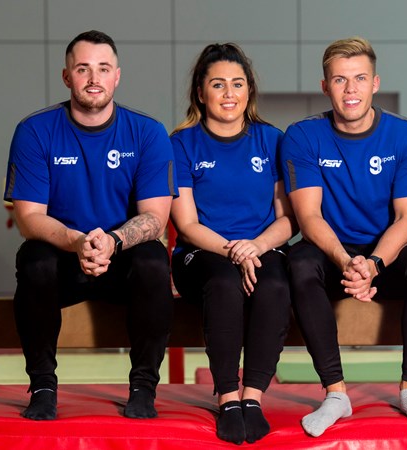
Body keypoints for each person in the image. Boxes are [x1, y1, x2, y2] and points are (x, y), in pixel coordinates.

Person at [3, 30, 177, 421]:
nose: (93, 78)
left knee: (153, 260)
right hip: (64, 258)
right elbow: (28, 217)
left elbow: (155, 218)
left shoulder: (146, 132)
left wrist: (113, 241)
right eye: (83, 69)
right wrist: (78, 240)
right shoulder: (35, 131)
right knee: (33, 258)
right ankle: (44, 386)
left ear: (118, 76)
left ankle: (143, 386)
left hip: (122, 258)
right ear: (67, 77)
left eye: (103, 69)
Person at [280, 36, 407, 437]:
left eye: (359, 79)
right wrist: (346, 262)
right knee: (298, 264)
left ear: (375, 83)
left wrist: (372, 264)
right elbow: (308, 215)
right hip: (332, 251)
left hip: (385, 252)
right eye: (339, 80)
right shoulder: (302, 136)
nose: (350, 90)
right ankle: (335, 393)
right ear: (325, 86)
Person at [170, 43, 295, 445]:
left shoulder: (272, 140)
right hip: (202, 253)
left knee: (275, 285)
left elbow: (288, 218)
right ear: (200, 93)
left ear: (249, 90)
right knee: (224, 284)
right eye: (218, 84)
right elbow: (186, 224)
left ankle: (253, 397)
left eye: (237, 84)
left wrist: (254, 246)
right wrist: (231, 250)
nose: (229, 93)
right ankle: (227, 396)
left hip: (262, 247)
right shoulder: (182, 143)